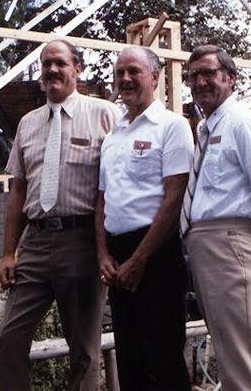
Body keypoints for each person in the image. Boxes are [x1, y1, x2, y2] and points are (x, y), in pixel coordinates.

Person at [0, 39, 120, 391]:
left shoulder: (104, 115)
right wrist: (9, 253)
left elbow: (117, 183)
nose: (52, 70)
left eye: (60, 63)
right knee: (9, 337)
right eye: (45, 64)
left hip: (82, 242)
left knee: (84, 349)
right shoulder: (28, 124)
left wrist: (105, 249)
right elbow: (18, 190)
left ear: (77, 69)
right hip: (34, 243)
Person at [181, 44, 251, 390]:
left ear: (230, 79)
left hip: (232, 248)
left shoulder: (242, 124)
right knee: (234, 362)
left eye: (209, 73)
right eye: (193, 76)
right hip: (209, 250)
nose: (200, 82)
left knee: (245, 368)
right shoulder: (206, 129)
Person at [96, 47, 194, 391]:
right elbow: (102, 200)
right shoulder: (113, 136)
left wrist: (140, 259)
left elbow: (175, 195)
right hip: (118, 255)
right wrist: (103, 255)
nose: (125, 79)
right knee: (130, 360)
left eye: (134, 71)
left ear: (155, 76)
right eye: (120, 72)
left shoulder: (172, 127)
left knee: (164, 360)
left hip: (158, 252)